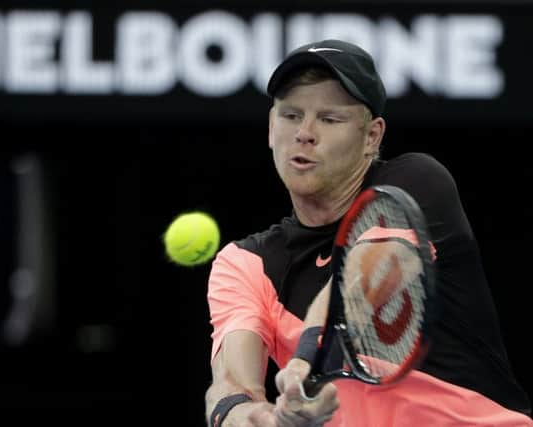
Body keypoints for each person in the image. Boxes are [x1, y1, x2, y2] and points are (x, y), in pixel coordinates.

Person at [203, 39, 532, 426]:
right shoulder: (245, 264)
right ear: (271, 128)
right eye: (291, 115)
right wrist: (270, 419)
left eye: (329, 119)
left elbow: (361, 283)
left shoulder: (413, 185)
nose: (305, 133)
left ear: (372, 136)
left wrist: (305, 361)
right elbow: (229, 392)